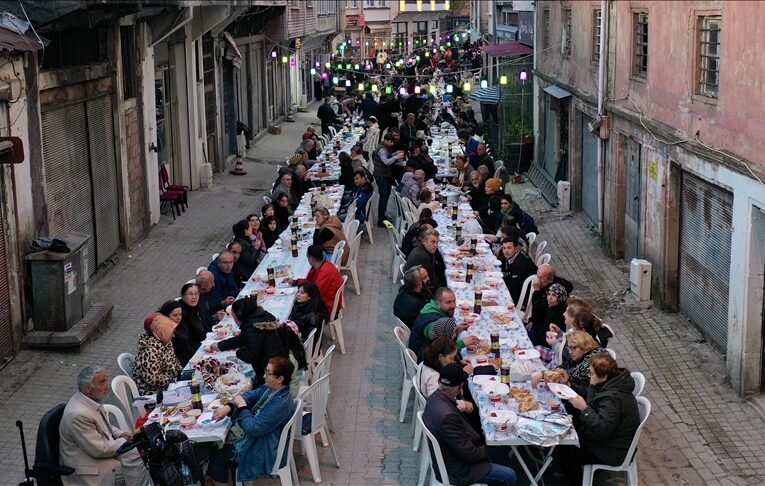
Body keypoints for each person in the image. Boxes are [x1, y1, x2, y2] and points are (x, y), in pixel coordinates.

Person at [422, 364, 518, 486]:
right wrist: (487, 450)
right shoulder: (447, 416)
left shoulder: (434, 398)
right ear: (459, 388)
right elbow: (469, 454)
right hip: (458, 469)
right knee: (509, 475)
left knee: (501, 450)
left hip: (451, 455)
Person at [207, 356, 298, 485]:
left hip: (263, 448)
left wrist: (242, 407)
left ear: (280, 378)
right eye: (265, 371)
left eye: (268, 373)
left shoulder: (280, 403)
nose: (264, 375)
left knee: (216, 457)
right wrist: (228, 407)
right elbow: (249, 395)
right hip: (262, 439)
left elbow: (253, 428)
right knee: (220, 445)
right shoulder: (273, 389)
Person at [556, 354, 640, 485]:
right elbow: (588, 393)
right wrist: (569, 384)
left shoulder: (613, 398)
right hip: (604, 441)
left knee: (565, 449)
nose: (589, 375)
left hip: (610, 451)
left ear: (604, 377)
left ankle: (576, 481)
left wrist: (584, 409)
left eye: (592, 373)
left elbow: (602, 428)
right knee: (566, 435)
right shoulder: (608, 384)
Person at [59, 366, 152, 486]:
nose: (107, 386)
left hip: (98, 456)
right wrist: (124, 440)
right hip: (89, 470)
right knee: (138, 460)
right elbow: (100, 450)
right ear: (88, 388)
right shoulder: (78, 414)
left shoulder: (90, 399)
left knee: (138, 452)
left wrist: (120, 434)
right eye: (102, 382)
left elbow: (105, 426)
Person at [210, 296, 287, 384]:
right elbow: (242, 338)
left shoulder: (253, 328)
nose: (234, 320)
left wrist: (238, 352)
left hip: (272, 375)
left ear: (240, 316)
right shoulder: (258, 319)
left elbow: (250, 355)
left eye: (233, 316)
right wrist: (219, 345)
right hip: (278, 364)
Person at [132, 313, 182, 395]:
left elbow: (175, 361)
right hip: (155, 394)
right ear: (160, 333)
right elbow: (154, 380)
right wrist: (172, 379)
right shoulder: (149, 352)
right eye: (170, 332)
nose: (173, 335)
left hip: (171, 385)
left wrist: (180, 374)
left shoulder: (166, 341)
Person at [528, 264, 574, 347]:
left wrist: (537, 291)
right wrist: (532, 320)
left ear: (550, 280)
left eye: (541, 277)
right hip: (538, 332)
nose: (537, 280)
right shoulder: (551, 305)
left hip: (543, 341)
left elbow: (538, 311)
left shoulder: (557, 312)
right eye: (549, 294)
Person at [286, 245, 343, 312]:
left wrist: (300, 293)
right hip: (328, 300)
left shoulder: (324, 272)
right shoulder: (323, 264)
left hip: (327, 307)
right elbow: (309, 281)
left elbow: (314, 293)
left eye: (307, 257)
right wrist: (294, 282)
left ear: (311, 258)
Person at [372, 133, 405, 226]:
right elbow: (386, 162)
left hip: (384, 175)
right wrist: (396, 157)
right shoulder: (382, 150)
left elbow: (388, 156)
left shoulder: (385, 148)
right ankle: (381, 220)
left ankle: (383, 216)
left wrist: (394, 154)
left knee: (386, 196)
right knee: (383, 197)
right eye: (391, 142)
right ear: (386, 140)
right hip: (381, 176)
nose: (392, 144)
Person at [403, 228, 447, 293]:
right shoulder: (423, 256)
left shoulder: (424, 249)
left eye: (437, 242)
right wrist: (444, 289)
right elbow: (431, 280)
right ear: (424, 241)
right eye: (432, 242)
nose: (436, 245)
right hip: (416, 287)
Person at [499, 237, 537, 304]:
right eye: (504, 248)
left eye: (509, 248)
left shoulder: (520, 264)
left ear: (516, 249)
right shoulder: (511, 257)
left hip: (524, 299)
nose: (506, 251)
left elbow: (513, 289)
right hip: (519, 291)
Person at [176, 283, 206, 365]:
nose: (194, 297)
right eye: (190, 294)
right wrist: (199, 353)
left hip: (202, 343)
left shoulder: (198, 306)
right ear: (183, 296)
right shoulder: (181, 313)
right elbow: (187, 340)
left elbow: (206, 321)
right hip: (192, 353)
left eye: (196, 293)